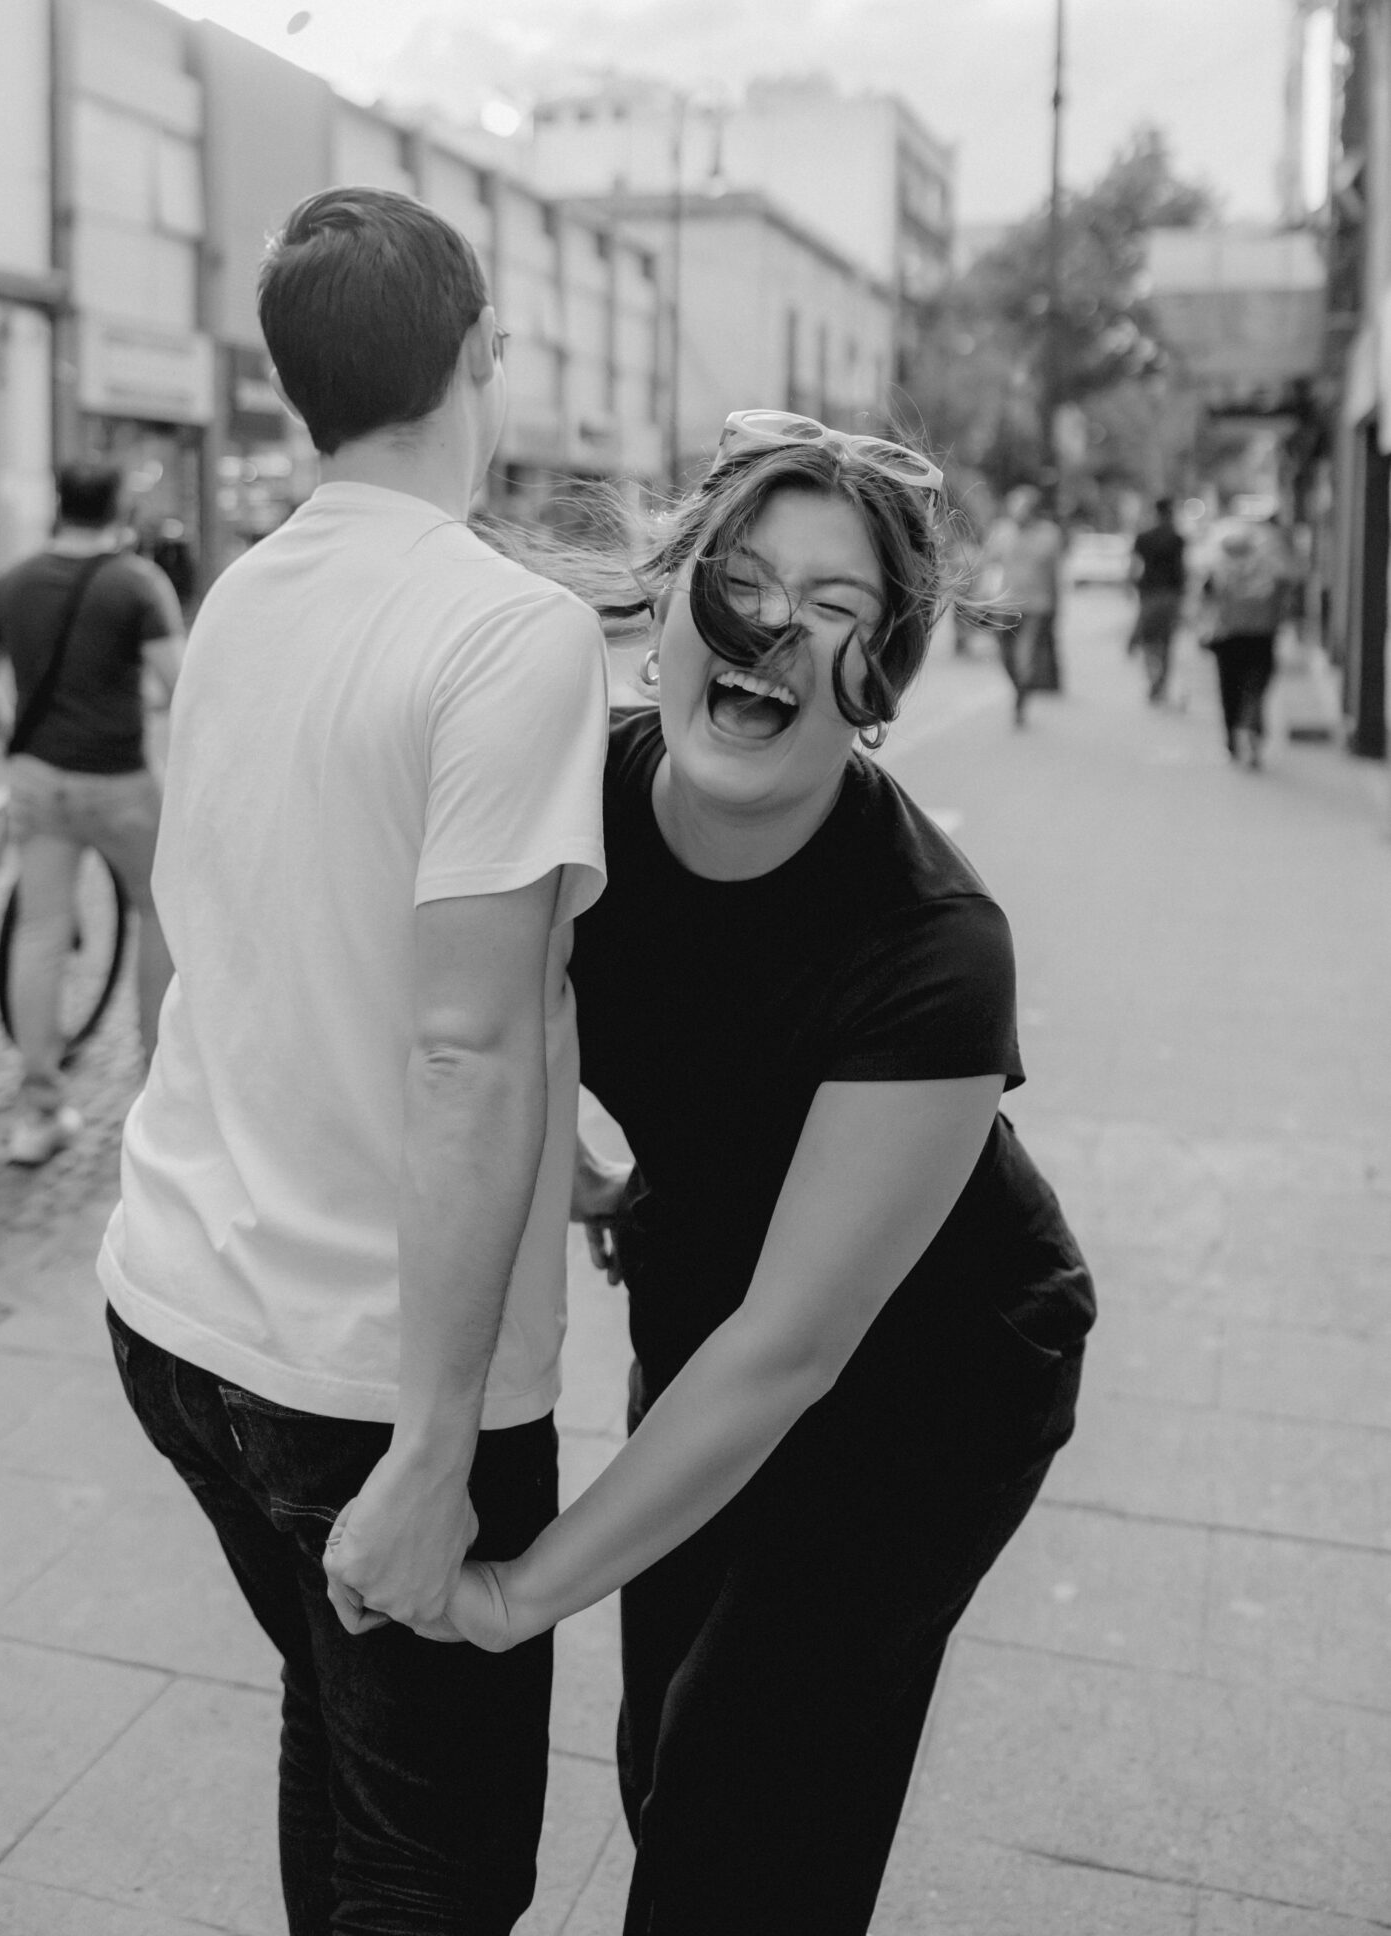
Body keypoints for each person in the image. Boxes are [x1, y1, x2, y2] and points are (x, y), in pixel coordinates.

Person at [425, 409, 1096, 1936]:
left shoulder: (931, 945)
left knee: (749, 1816)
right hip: (703, 1283)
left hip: (933, 1380)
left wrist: (518, 1592)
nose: (776, 631)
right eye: (741, 579)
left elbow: (787, 1353)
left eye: (840, 609)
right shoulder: (567, 805)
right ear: (666, 606)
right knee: (664, 1755)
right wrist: (589, 1168)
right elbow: (477, 1024)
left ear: (879, 686)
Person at [98, 188, 610, 1934]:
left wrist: (568, 1148)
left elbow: (253, 922)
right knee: (440, 1868)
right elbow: (464, 1044)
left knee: (340, 1738)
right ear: (479, 358)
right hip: (358, 1382)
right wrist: (436, 1449)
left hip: (175, 1314)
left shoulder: (241, 596)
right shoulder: (506, 627)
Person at [0, 463, 185, 1165]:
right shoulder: (136, 583)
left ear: (60, 507)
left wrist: (10, 736)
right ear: (118, 508)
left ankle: (37, 1111)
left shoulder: (16, 580)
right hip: (116, 783)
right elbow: (182, 686)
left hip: (37, 781)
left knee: (40, 934)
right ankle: (160, 1092)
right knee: (162, 912)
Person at [1199, 522, 1290, 766]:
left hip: (1228, 639)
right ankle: (1252, 728)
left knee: (1229, 691)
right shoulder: (1268, 569)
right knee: (1256, 689)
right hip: (1261, 638)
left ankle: (1232, 739)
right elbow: (1284, 597)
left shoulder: (1218, 570)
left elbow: (1205, 603)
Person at [984, 484, 1064, 724]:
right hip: (1005, 604)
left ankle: (1021, 696)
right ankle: (1020, 687)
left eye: (1024, 507)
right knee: (1004, 656)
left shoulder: (1049, 534)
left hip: (1036, 605)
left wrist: (1057, 606)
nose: (1019, 512)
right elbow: (988, 563)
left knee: (1025, 656)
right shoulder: (1001, 531)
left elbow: (1054, 574)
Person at [1129, 494, 1187, 702]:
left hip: (1150, 594)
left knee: (1149, 640)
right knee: (1166, 642)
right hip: (1171, 595)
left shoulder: (1144, 538)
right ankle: (1160, 681)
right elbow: (1182, 570)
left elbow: (1134, 567)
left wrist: (1132, 587)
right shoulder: (1177, 538)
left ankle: (1153, 677)